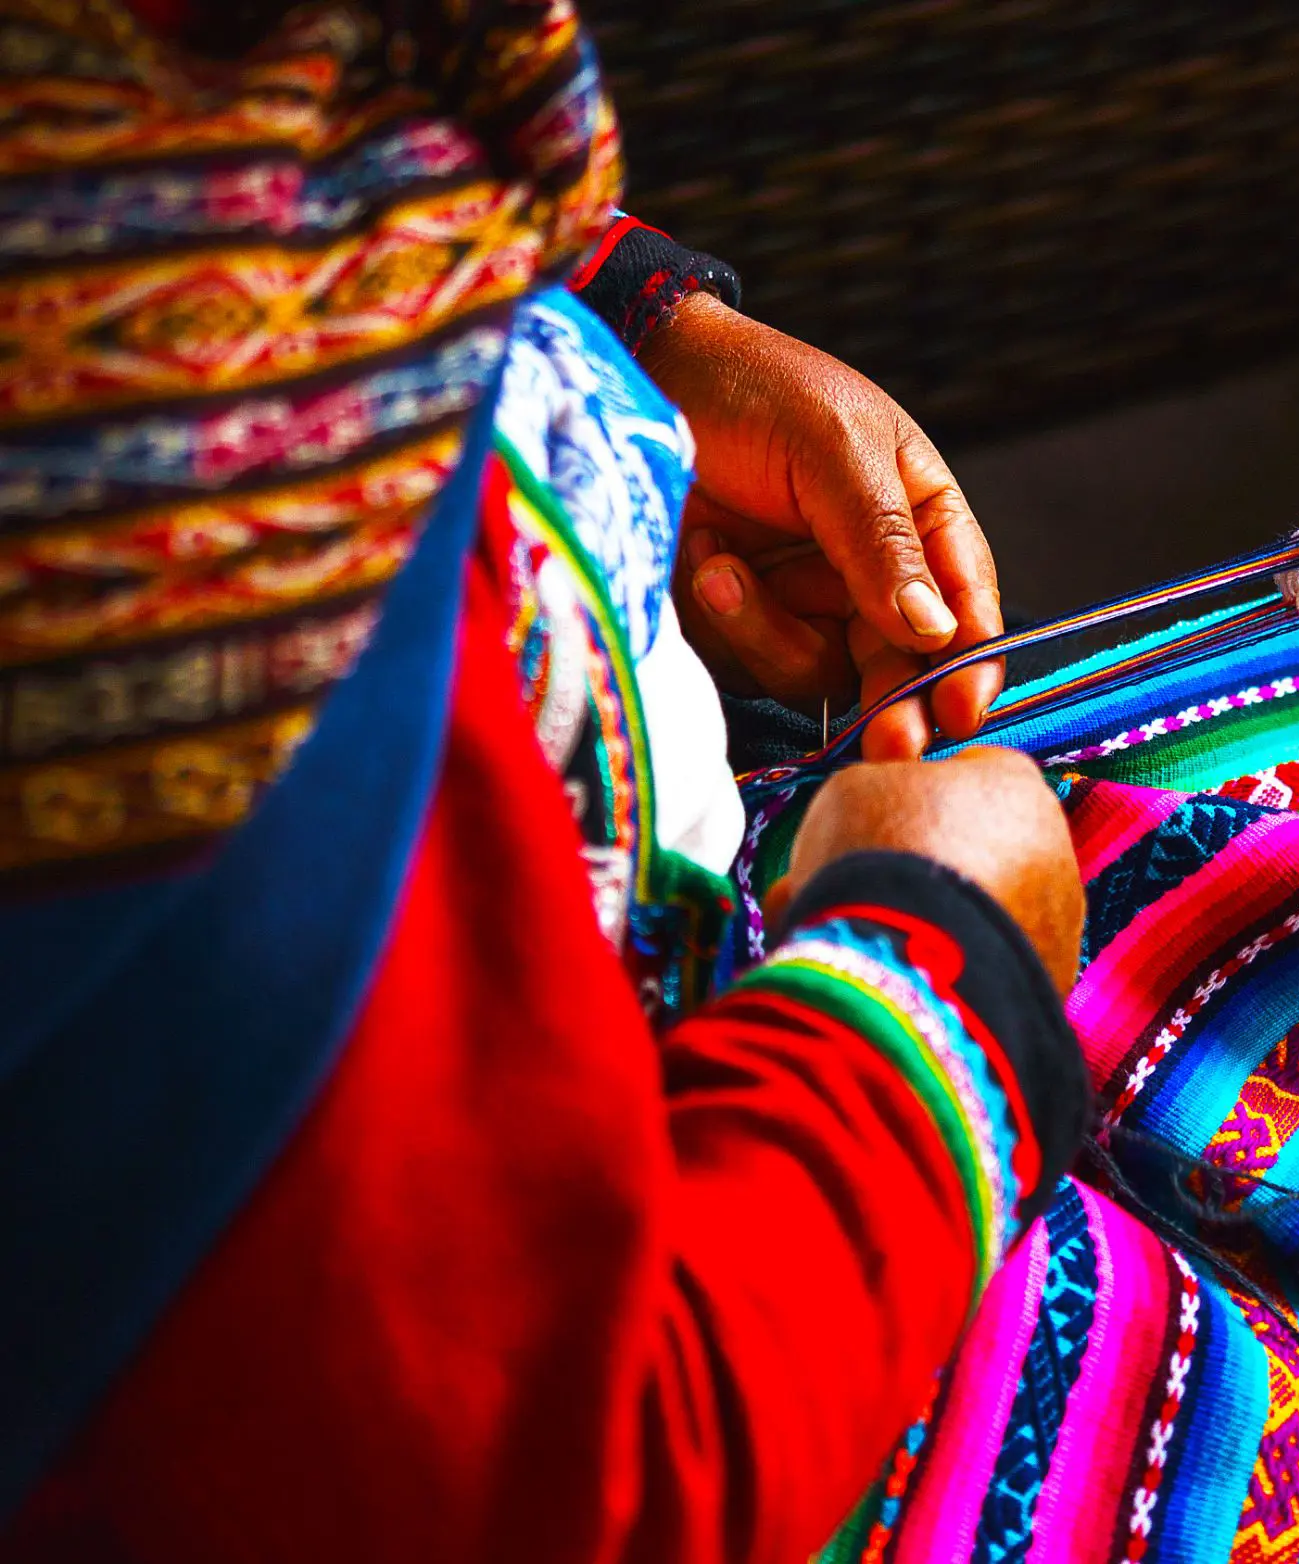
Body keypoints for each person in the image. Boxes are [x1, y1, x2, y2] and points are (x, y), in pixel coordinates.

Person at [0, 3, 1086, 1560]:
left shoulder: (136, 169)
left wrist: (625, 341)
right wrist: (942, 984)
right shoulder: (135, 607)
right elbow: (536, 1489)